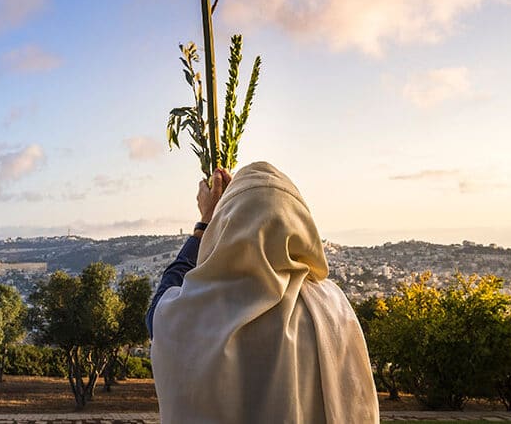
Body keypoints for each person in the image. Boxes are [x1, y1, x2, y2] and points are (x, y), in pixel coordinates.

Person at [147, 162, 379, 423]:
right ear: (301, 224)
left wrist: (204, 222)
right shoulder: (333, 307)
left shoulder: (193, 312)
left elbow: (157, 311)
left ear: (225, 226)